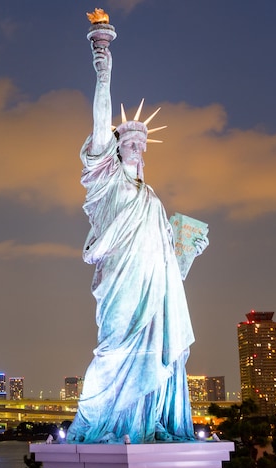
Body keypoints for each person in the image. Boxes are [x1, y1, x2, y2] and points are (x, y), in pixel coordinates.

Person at [65, 30, 207, 444]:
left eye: (141, 144)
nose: (137, 148)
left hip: (152, 287)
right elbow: (100, 123)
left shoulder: (153, 200)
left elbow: (166, 265)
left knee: (152, 353)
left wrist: (189, 252)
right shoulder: (106, 183)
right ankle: (99, 421)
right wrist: (103, 69)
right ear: (115, 148)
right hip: (119, 282)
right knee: (112, 351)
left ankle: (142, 424)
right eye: (129, 142)